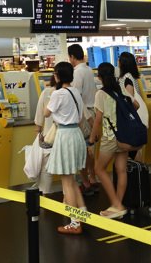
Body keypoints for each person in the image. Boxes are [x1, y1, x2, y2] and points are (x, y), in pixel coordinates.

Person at [44, 61, 88, 235]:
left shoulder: (59, 94)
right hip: (76, 134)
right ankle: (82, 211)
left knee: (66, 182)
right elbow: (81, 115)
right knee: (72, 178)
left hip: (65, 136)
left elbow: (47, 113)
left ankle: (74, 222)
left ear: (58, 76)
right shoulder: (75, 91)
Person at [89, 62, 135, 220]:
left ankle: (117, 204)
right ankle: (117, 205)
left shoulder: (101, 94)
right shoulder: (120, 89)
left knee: (99, 169)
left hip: (110, 137)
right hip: (124, 135)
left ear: (100, 77)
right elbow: (134, 104)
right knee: (121, 170)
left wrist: (92, 137)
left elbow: (98, 119)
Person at [68, 43, 98, 195]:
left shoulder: (77, 72)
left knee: (81, 150)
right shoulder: (89, 70)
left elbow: (76, 97)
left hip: (83, 115)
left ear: (72, 57)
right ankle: (92, 178)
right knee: (89, 149)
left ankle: (85, 183)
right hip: (91, 112)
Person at [117, 51, 149, 160]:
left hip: (132, 118)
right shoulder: (131, 77)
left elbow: (129, 100)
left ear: (123, 63)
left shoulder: (127, 78)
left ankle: (136, 173)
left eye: (119, 60)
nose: (118, 62)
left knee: (132, 150)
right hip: (135, 117)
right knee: (134, 150)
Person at [33, 73, 56, 194]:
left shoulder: (47, 92)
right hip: (68, 136)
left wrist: (37, 133)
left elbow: (39, 116)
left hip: (48, 138)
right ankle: (69, 201)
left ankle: (44, 195)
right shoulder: (73, 93)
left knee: (46, 169)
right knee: (68, 173)